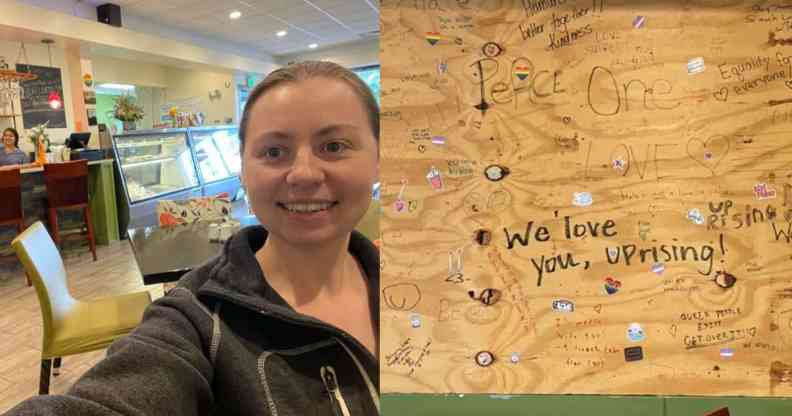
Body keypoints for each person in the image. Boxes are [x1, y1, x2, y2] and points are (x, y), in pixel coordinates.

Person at [3, 61, 380, 415]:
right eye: (274, 151)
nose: (303, 174)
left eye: (333, 146)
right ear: (243, 170)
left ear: (380, 158)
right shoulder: (196, 321)